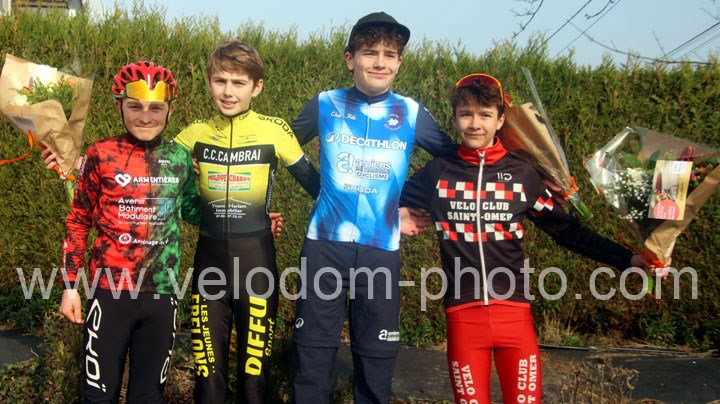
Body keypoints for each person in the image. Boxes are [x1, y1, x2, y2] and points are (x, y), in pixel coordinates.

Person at [398, 73, 657, 404]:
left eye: (485, 115)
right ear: (454, 119)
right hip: (463, 317)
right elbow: (380, 199)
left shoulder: (523, 175)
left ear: (500, 120)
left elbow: (567, 231)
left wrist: (628, 259)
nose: (475, 124)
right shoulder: (437, 173)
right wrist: (396, 215)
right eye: (466, 114)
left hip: (515, 316)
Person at [289, 12, 457, 403]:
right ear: (350, 59)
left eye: (389, 55)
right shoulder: (325, 104)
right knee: (312, 353)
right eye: (369, 53)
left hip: (380, 250)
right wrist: (320, 189)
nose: (380, 62)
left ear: (399, 62)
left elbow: (454, 161)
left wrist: (406, 206)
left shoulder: (410, 112)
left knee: (376, 358)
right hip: (324, 246)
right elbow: (279, 145)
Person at [174, 39, 320, 404]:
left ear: (257, 87)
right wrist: (77, 164)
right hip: (209, 265)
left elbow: (319, 188)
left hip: (256, 263)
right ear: (209, 82)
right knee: (207, 377)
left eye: (238, 83)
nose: (228, 91)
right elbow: (145, 173)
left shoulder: (275, 131)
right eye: (220, 81)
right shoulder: (193, 134)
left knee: (254, 379)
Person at [59, 61, 201, 402]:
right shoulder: (100, 154)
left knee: (148, 397)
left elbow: (194, 211)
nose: (145, 117)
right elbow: (78, 219)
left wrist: (251, 215)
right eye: (135, 106)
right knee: (98, 396)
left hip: (162, 293)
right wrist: (70, 287)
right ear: (118, 105)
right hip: (110, 293)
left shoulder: (180, 157)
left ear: (170, 109)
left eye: (156, 108)